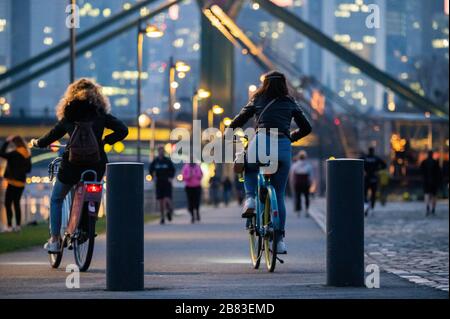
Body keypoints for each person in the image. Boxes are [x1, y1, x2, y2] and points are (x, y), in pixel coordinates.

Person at [31, 78, 128, 252]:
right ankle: (86, 227)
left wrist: (37, 143)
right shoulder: (100, 114)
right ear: (97, 95)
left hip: (72, 166)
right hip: (95, 164)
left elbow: (51, 136)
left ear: (72, 94)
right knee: (93, 192)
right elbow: (123, 130)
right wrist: (105, 141)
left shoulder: (69, 114)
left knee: (56, 198)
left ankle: (54, 240)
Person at [228, 71, 312, 254]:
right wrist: (291, 137)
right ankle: (279, 240)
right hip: (282, 146)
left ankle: (250, 198)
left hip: (261, 141)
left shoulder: (257, 99)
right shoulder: (290, 102)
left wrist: (231, 135)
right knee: (279, 194)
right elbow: (307, 127)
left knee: (250, 167)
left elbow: (237, 122)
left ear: (264, 84)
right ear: (284, 84)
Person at [0, 136, 32, 232]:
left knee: (7, 203)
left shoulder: (14, 153)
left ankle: (9, 226)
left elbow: (1, 154)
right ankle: (18, 226)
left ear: (15, 144)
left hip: (12, 181)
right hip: (21, 183)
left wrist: (6, 142)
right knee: (16, 203)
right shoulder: (27, 154)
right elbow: (28, 169)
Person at [149, 145, 175, 224]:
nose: (160, 152)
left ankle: (170, 210)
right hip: (159, 182)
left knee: (167, 199)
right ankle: (162, 217)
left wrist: (171, 177)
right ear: (158, 151)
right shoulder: (155, 161)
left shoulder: (167, 161)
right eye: (159, 150)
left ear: (163, 151)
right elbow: (151, 169)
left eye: (162, 150)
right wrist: (153, 177)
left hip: (167, 182)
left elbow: (173, 170)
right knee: (160, 201)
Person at [361, 147, 387, 216]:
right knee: (373, 194)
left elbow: (358, 162)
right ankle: (372, 208)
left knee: (364, 194)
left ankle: (365, 206)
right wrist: (378, 170)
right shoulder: (376, 158)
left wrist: (363, 171)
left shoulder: (364, 158)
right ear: (373, 151)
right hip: (374, 178)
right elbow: (384, 165)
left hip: (366, 178)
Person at [290, 150, 313, 217]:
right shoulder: (308, 165)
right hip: (305, 182)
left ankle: (298, 211)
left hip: (297, 183)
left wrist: (292, 182)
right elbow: (310, 176)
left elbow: (292, 175)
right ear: (305, 157)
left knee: (298, 197)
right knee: (306, 197)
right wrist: (310, 183)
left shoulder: (295, 165)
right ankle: (306, 210)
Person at [420, 150, 442, 216]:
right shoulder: (435, 162)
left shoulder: (424, 162)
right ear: (432, 155)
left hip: (426, 181)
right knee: (434, 195)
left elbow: (420, 171)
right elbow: (439, 173)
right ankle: (433, 209)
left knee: (427, 194)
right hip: (434, 181)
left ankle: (427, 207)